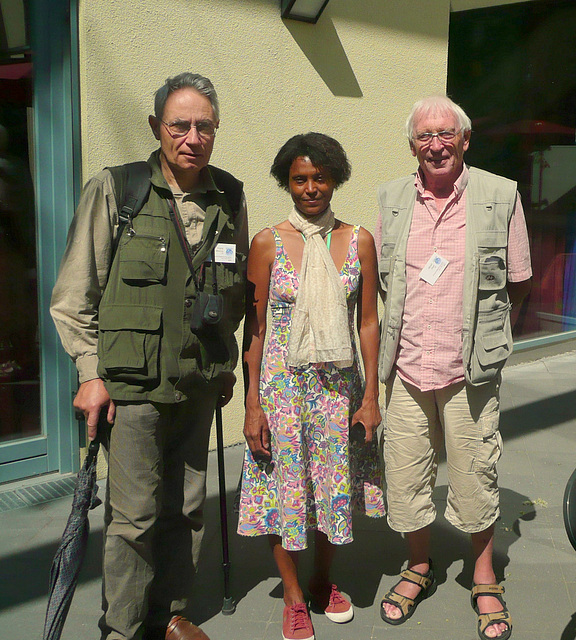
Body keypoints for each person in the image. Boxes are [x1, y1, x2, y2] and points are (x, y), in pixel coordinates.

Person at [50, 72, 248, 640]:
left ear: (215, 131)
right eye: (179, 125)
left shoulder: (229, 196)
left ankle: (171, 613)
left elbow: (231, 293)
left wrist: (224, 365)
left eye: (203, 126)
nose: (192, 136)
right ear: (157, 129)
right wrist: (91, 373)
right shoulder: (119, 190)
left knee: (186, 508)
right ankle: (122, 627)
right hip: (131, 386)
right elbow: (73, 297)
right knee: (132, 517)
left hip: (197, 382)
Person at [375, 95, 532, 640]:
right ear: (412, 145)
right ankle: (418, 565)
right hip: (407, 366)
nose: (435, 145)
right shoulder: (391, 198)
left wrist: (491, 337)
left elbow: (518, 280)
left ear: (465, 139)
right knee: (406, 470)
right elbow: (384, 284)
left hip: (471, 368)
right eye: (424, 136)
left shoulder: (499, 194)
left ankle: (483, 573)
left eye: (446, 135)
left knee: (474, 472)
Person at [238, 132, 385, 640]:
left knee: (331, 485)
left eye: (319, 177)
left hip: (337, 389)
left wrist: (370, 396)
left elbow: (368, 321)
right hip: (282, 388)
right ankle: (294, 596)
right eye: (299, 179)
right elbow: (253, 328)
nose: (310, 188)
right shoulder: (267, 242)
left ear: (335, 179)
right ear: (287, 183)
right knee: (286, 487)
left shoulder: (359, 240)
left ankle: (324, 581)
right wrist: (252, 403)